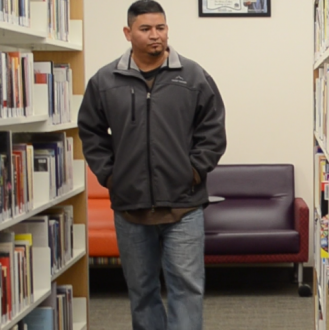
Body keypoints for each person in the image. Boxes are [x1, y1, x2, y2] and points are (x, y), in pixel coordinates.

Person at [77, 1, 227, 329]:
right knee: (142, 292)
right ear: (128, 33)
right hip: (130, 208)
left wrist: (194, 171)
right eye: (145, 29)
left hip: (183, 207)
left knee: (186, 290)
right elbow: (90, 132)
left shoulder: (193, 76)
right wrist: (111, 176)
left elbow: (213, 131)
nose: (155, 36)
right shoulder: (105, 81)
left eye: (161, 28)